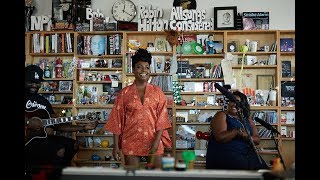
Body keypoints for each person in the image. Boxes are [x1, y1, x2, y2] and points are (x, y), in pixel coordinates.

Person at [24, 65, 97, 179]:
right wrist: (28, 122)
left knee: (73, 144)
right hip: (28, 141)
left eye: (37, 82)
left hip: (40, 138)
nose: (34, 85)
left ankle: (52, 175)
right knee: (59, 149)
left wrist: (83, 128)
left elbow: (58, 125)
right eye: (31, 81)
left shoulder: (43, 101)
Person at [104, 48, 172, 169]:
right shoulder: (124, 93)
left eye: (147, 67)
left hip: (153, 139)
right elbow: (116, 120)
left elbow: (162, 119)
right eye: (139, 67)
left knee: (156, 174)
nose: (143, 70)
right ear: (133, 69)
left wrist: (156, 142)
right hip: (130, 140)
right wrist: (115, 146)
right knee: (132, 174)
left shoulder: (158, 92)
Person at [206, 90, 269, 170]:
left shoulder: (248, 120)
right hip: (228, 155)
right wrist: (236, 132)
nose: (234, 104)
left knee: (266, 172)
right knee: (243, 167)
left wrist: (247, 136)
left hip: (248, 155)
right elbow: (220, 137)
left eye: (237, 102)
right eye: (232, 101)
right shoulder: (222, 115)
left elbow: (257, 140)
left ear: (243, 105)